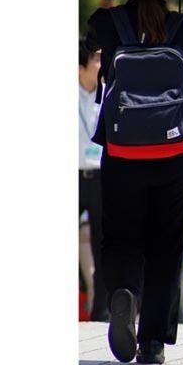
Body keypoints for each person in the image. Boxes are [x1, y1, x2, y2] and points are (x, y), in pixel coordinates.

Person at [86, 0, 183, 365]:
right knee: (167, 244)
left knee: (120, 235)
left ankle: (123, 291)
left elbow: (92, 53)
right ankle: (153, 341)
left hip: (122, 151)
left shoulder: (108, 23)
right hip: (175, 152)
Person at [78, 41, 108, 322]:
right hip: (74, 177)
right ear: (80, 66)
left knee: (103, 245)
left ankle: (102, 311)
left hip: (100, 177)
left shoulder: (108, 93)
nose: (101, 63)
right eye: (96, 59)